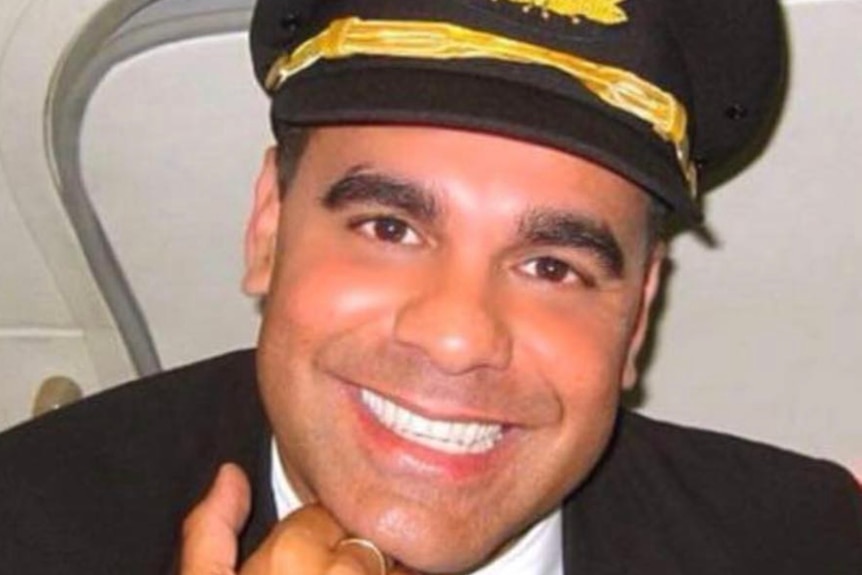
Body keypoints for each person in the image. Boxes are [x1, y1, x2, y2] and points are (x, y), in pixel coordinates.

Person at [0, 0, 860, 574]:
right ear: (268, 226)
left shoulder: (805, 543)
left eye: (552, 266)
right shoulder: (30, 528)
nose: (457, 335)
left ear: (635, 322)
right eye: (390, 227)